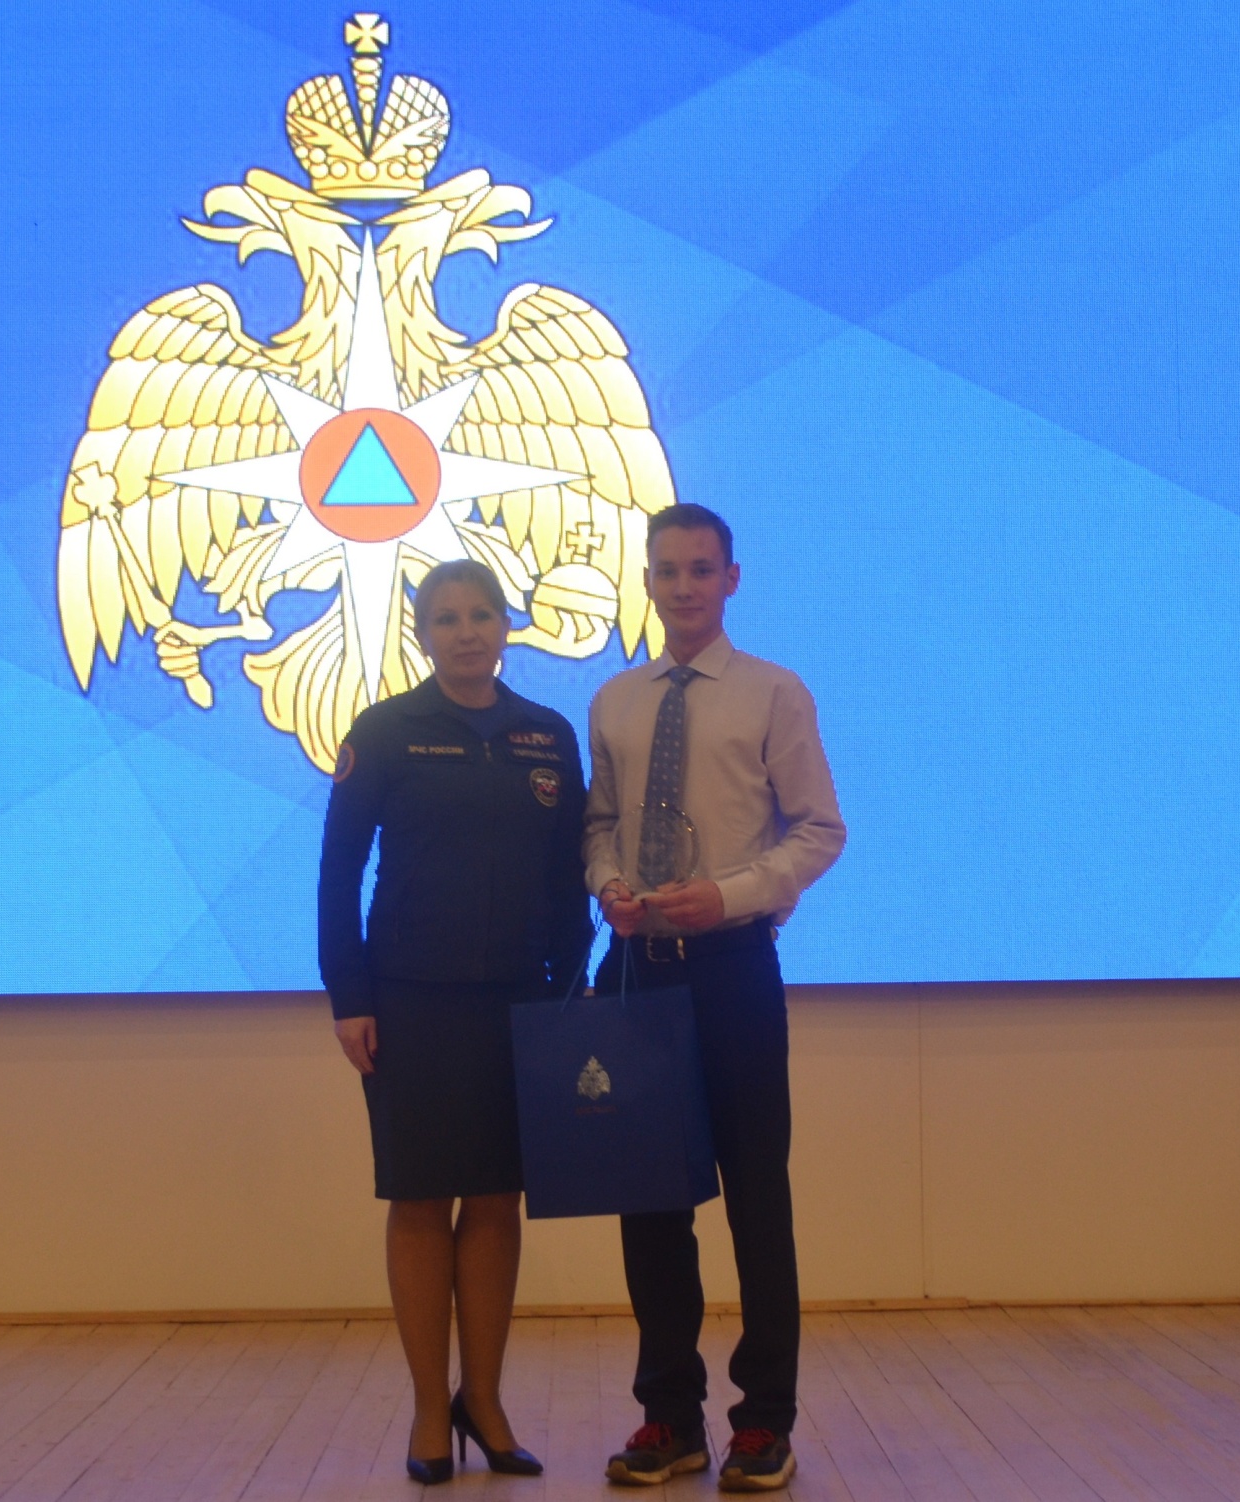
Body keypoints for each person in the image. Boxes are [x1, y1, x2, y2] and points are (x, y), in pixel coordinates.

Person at [585, 503, 845, 1492]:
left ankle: (763, 1421)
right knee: (649, 1202)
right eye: (668, 570)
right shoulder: (614, 701)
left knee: (755, 1197)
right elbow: (597, 825)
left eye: (702, 569)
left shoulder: (775, 693)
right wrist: (607, 881)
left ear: (731, 578)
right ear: (647, 580)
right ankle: (669, 1414)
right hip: (639, 972)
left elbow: (818, 829)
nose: (684, 586)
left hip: (734, 969)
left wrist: (730, 895)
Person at [319, 558, 593, 1486]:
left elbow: (567, 879)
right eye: (447, 618)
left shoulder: (547, 735)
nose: (467, 632)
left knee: (496, 1199)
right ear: (423, 633)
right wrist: (349, 995)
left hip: (521, 998)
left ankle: (486, 1399)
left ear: (506, 625)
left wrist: (573, 988)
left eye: (481, 615)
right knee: (420, 1199)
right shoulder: (385, 732)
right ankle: (430, 1411)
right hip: (410, 1001)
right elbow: (338, 873)